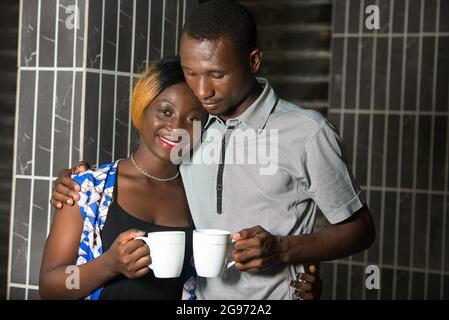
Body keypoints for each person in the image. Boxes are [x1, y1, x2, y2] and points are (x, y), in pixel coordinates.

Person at [51, 0, 374, 300]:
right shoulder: (201, 123)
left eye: (217, 75)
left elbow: (360, 230)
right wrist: (81, 181)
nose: (203, 90)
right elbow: (155, 154)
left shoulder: (306, 132)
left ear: (253, 61)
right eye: (192, 73)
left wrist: (284, 249)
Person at [40, 57, 321, 300]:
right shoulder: (88, 188)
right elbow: (50, 286)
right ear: (143, 108)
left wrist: (295, 283)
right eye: (165, 111)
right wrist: (108, 265)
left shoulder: (200, 189)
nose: (176, 128)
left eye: (193, 119)